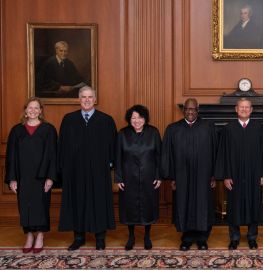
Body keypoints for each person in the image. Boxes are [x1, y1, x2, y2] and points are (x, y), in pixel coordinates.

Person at [58, 85, 117, 251]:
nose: (86, 100)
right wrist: (63, 169)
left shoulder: (106, 120)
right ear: (79, 99)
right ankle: (78, 237)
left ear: (95, 100)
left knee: (99, 201)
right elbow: (61, 146)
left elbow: (113, 146)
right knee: (77, 201)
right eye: (83, 97)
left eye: (90, 97)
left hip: (99, 171)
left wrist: (110, 164)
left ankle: (100, 237)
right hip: (74, 171)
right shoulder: (69, 119)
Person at [162, 98, 217, 251]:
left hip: (203, 176)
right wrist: (172, 177)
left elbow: (216, 152)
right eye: (187, 109)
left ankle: (202, 239)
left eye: (193, 109)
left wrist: (213, 175)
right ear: (183, 110)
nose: (190, 112)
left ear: (197, 110)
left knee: (202, 205)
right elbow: (168, 154)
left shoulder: (208, 127)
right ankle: (186, 239)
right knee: (183, 204)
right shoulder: (173, 129)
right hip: (181, 176)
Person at [215, 98, 263, 250]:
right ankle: (234, 238)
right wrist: (226, 175)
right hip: (234, 175)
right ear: (236, 109)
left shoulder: (260, 128)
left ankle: (252, 237)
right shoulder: (228, 129)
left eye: (247, 107)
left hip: (254, 175)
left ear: (251, 110)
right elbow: (223, 154)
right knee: (234, 206)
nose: (244, 110)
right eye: (241, 107)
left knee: (254, 204)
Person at [4, 97, 57, 253]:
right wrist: (12, 178)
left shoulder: (48, 130)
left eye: (36, 108)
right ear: (25, 110)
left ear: (41, 111)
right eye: (30, 108)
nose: (33, 111)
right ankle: (29, 235)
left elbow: (53, 155)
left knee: (41, 206)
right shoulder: (17, 130)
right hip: (23, 176)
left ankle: (40, 235)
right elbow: (11, 156)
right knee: (24, 206)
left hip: (42, 176)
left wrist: (50, 177)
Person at [115, 105, 162, 251]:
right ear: (129, 119)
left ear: (145, 119)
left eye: (140, 117)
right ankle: (131, 236)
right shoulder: (122, 134)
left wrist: (158, 176)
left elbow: (160, 156)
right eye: (133, 118)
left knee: (148, 206)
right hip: (129, 178)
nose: (137, 121)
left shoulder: (153, 132)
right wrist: (119, 178)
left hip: (149, 177)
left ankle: (147, 236)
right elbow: (117, 157)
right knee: (129, 207)